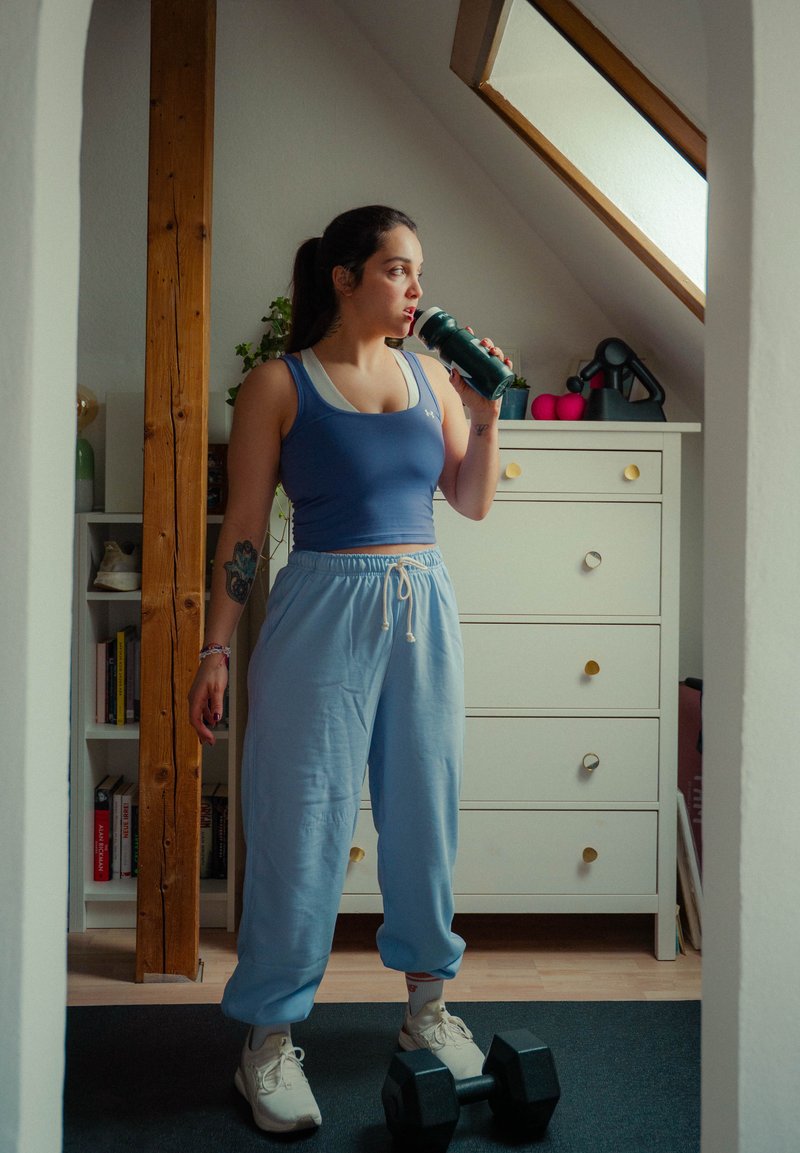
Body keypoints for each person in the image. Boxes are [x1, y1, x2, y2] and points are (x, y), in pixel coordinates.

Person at [188, 205, 509, 1134]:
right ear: (345, 276)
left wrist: (487, 415)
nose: (416, 289)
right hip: (321, 607)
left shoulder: (435, 378)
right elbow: (245, 530)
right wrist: (216, 644)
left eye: (418, 273)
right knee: (302, 821)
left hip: (423, 604)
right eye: (399, 270)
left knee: (424, 809)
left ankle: (425, 1011)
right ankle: (268, 1041)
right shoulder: (276, 386)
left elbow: (471, 499)